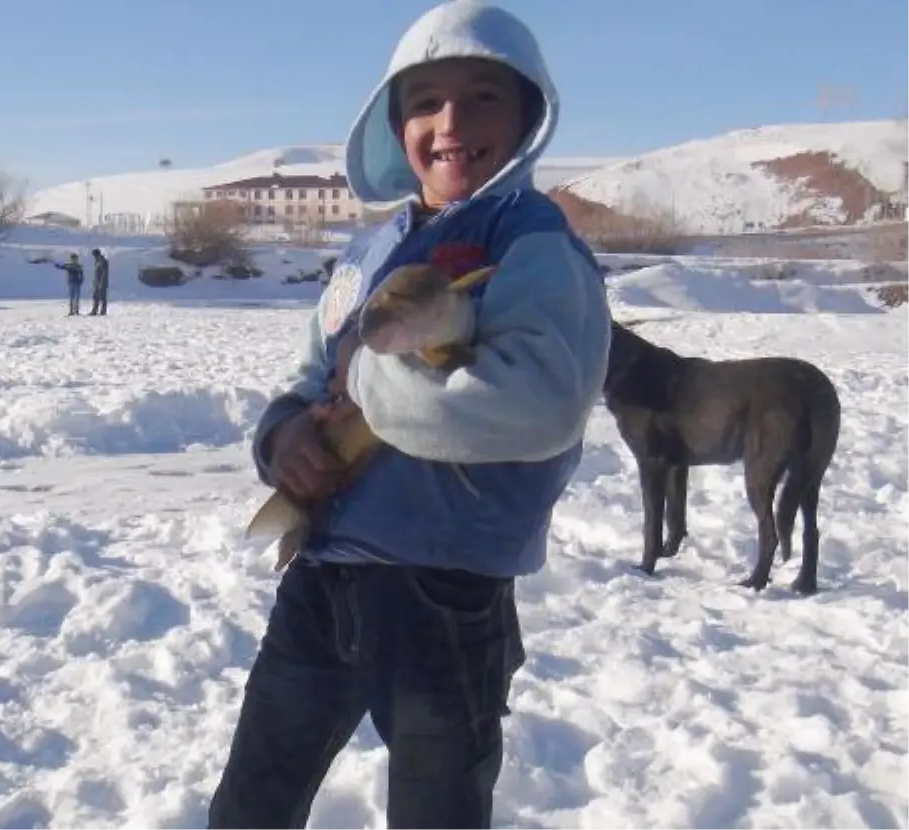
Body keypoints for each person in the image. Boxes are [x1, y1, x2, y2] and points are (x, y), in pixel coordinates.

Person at [206, 3, 612, 829]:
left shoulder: (533, 244)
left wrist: (373, 391)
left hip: (445, 589)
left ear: (530, 115)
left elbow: (540, 405)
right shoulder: (371, 249)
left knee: (439, 811)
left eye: (483, 97)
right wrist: (284, 437)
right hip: (322, 572)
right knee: (253, 799)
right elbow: (312, 369)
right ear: (395, 126)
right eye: (424, 101)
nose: (450, 122)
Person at [89, 248, 109, 315]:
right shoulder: (97, 261)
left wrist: (101, 282)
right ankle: (94, 310)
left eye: (94, 255)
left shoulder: (103, 261)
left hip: (102, 282)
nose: (94, 257)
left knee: (103, 297)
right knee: (95, 297)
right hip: (97, 282)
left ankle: (103, 311)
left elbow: (104, 273)